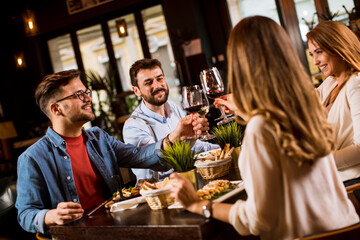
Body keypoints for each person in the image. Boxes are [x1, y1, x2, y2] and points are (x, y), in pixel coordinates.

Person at [170, 16, 359, 240]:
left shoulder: (262, 129)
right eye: (312, 54)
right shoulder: (305, 112)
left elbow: (258, 219)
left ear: (242, 64)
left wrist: (198, 204)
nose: (316, 61)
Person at [15, 69, 206, 234]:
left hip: (117, 225)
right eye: (78, 95)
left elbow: (138, 156)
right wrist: (50, 215)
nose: (88, 98)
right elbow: (25, 214)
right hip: (78, 234)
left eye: (86, 92)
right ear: (56, 109)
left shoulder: (98, 137)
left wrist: (176, 135)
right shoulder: (32, 158)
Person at [123, 58, 219, 181]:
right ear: (136, 90)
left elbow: (193, 147)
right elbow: (150, 169)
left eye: (160, 78)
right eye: (148, 82)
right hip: (166, 191)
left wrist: (223, 151)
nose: (157, 85)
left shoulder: (173, 107)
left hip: (193, 180)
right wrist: (176, 136)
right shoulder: (133, 126)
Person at [306, 21, 360, 187]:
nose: (315, 61)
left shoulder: (355, 85)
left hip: (353, 184)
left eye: (319, 52)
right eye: (312, 55)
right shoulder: (330, 83)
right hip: (334, 181)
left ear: (338, 48)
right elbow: (296, 101)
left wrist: (321, 162)